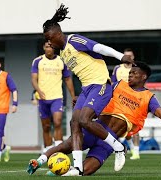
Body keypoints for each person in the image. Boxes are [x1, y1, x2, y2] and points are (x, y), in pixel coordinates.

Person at [26, 61, 161, 176]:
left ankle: (61, 170)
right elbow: (98, 92)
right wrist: (82, 99)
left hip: (110, 140)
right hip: (96, 129)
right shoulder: (117, 86)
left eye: (134, 73)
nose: (130, 75)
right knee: (67, 145)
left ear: (144, 77)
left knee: (86, 171)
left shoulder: (149, 97)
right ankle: (39, 161)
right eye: (130, 72)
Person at [41, 4, 134, 175]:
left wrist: (121, 56)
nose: (48, 42)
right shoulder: (62, 53)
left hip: (100, 85)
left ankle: (118, 147)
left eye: (49, 38)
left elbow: (99, 48)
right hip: (86, 89)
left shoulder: (74, 40)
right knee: (74, 122)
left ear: (57, 34)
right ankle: (77, 167)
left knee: (84, 120)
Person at [31, 41, 76, 153]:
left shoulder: (61, 61)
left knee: (57, 122)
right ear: (43, 48)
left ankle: (59, 150)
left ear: (54, 48)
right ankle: (48, 150)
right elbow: (33, 79)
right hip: (43, 99)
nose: (49, 49)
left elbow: (68, 79)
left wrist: (73, 96)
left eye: (51, 47)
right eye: (47, 47)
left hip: (57, 97)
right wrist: (39, 91)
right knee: (46, 126)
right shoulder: (38, 61)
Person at [111, 48, 140, 160]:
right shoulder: (118, 68)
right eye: (126, 55)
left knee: (135, 127)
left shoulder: (137, 69)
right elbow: (113, 84)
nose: (128, 58)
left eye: (130, 56)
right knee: (123, 128)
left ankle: (136, 152)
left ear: (133, 57)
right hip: (120, 102)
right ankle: (131, 148)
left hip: (134, 102)